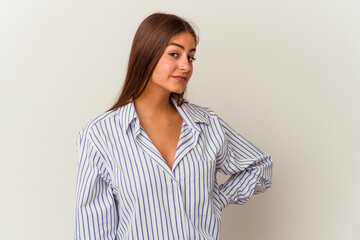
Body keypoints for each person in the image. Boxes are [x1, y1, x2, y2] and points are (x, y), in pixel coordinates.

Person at [75, 12, 273, 240]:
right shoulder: (100, 135)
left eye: (190, 57)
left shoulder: (206, 124)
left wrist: (217, 198)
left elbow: (260, 166)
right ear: (147, 54)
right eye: (174, 54)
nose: (185, 66)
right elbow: (92, 229)